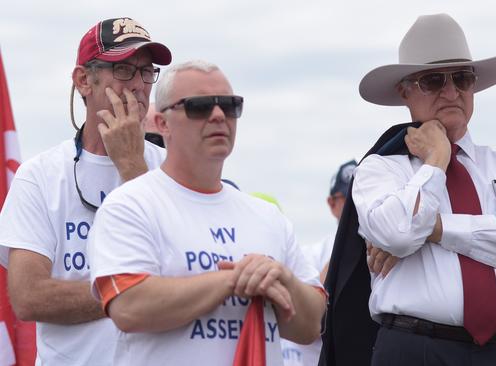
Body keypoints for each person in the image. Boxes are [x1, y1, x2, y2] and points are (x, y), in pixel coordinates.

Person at [320, 14, 496, 365]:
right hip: (416, 349)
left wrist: (436, 228)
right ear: (405, 91)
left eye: (462, 78)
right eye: (433, 81)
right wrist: (436, 159)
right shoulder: (379, 168)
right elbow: (399, 234)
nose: (451, 92)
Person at [86, 60, 326, 365]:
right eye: (199, 107)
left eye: (229, 106)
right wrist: (233, 280)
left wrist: (282, 278)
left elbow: (310, 326)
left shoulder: (267, 216)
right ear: (162, 124)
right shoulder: (130, 204)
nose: (217, 116)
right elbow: (129, 307)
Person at [0, 17, 170, 365]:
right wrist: (134, 294)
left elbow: (183, 272)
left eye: (146, 71)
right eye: (124, 70)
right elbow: (29, 297)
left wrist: (132, 167)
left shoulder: (173, 168)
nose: (139, 85)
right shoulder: (40, 176)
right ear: (83, 81)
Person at [282, 159, 357, 366]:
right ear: (332, 204)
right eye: (349, 197)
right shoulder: (310, 256)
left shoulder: (386, 250)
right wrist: (346, 251)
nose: (358, 203)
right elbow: (305, 318)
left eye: (363, 193)